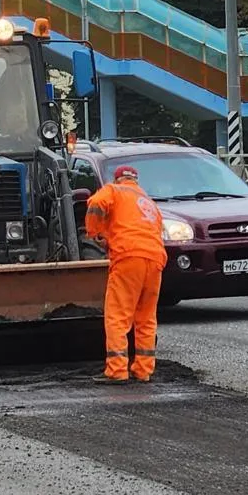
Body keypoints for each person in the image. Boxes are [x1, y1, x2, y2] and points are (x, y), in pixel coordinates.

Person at [84, 164, 167, 384]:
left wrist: (95, 233)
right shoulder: (148, 202)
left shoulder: (114, 190)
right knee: (146, 317)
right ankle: (143, 370)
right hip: (156, 259)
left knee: (118, 315)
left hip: (129, 257)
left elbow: (95, 204)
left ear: (118, 178)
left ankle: (117, 370)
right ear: (136, 180)